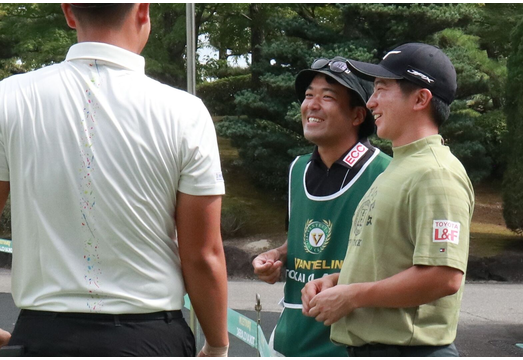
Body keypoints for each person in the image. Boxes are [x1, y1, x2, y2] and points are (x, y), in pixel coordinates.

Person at [0, 4, 228, 356]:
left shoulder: (10, 98)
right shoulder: (186, 113)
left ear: (68, 12)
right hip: (149, 338)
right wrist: (217, 345)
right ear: (142, 10)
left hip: (43, 338)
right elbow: (202, 255)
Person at [301, 43, 475, 357]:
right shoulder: (400, 166)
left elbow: (443, 276)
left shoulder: (435, 173)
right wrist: (340, 282)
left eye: (382, 88)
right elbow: (393, 261)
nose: (370, 102)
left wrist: (353, 296)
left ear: (421, 98)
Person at [252, 57, 391, 356]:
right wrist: (276, 256)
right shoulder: (297, 169)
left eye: (327, 97)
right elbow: (304, 241)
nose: (311, 105)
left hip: (349, 341)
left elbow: (395, 261)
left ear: (357, 116)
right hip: (291, 336)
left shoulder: (385, 172)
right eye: (308, 95)